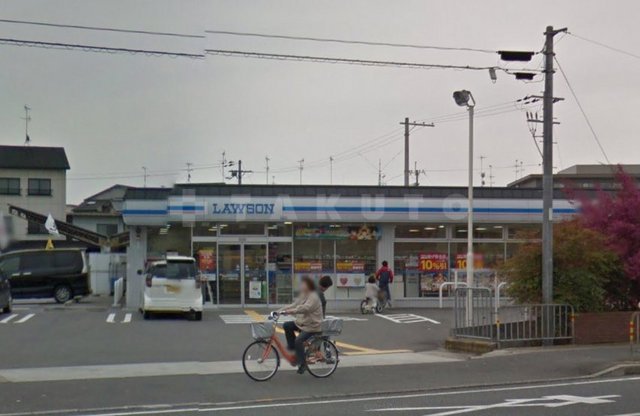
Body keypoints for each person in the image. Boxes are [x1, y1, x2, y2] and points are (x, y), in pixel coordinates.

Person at [281, 276, 323, 374]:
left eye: (303, 284)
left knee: (298, 340)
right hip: (303, 323)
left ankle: (303, 363)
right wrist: (279, 311)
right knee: (287, 325)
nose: (301, 286)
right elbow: (294, 304)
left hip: (312, 326)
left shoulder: (313, 296)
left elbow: (305, 308)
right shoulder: (304, 294)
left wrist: (290, 311)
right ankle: (295, 350)